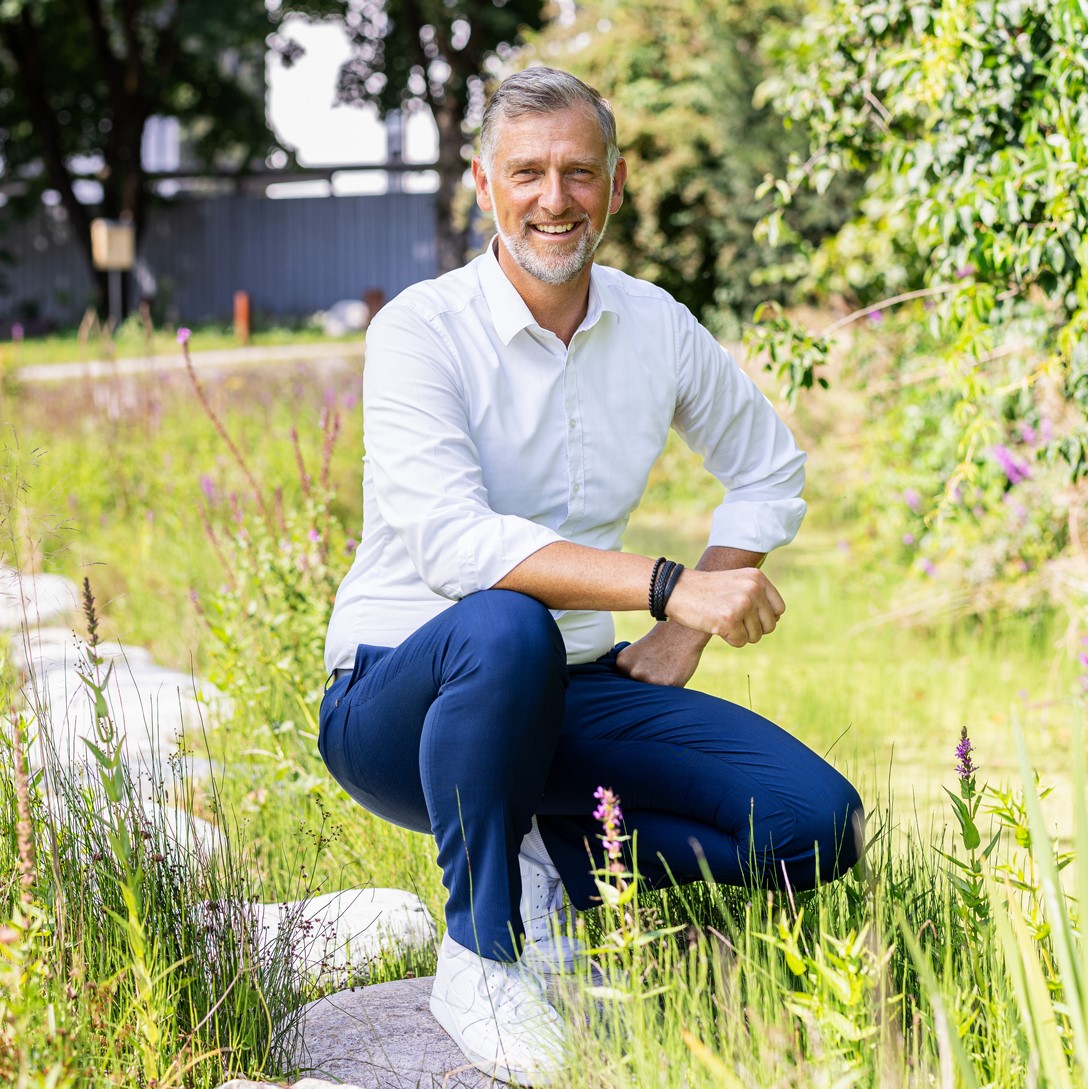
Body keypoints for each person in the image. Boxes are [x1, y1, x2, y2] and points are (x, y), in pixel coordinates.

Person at [319, 66, 864, 1086]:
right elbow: (453, 543)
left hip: (575, 693)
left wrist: (683, 629)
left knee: (813, 825)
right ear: (483, 186)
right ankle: (480, 958)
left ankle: (550, 863)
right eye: (527, 172)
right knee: (503, 623)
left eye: (578, 172)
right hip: (398, 702)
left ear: (613, 185)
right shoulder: (420, 330)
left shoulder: (652, 323)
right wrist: (668, 584)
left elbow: (767, 465)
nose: (553, 199)